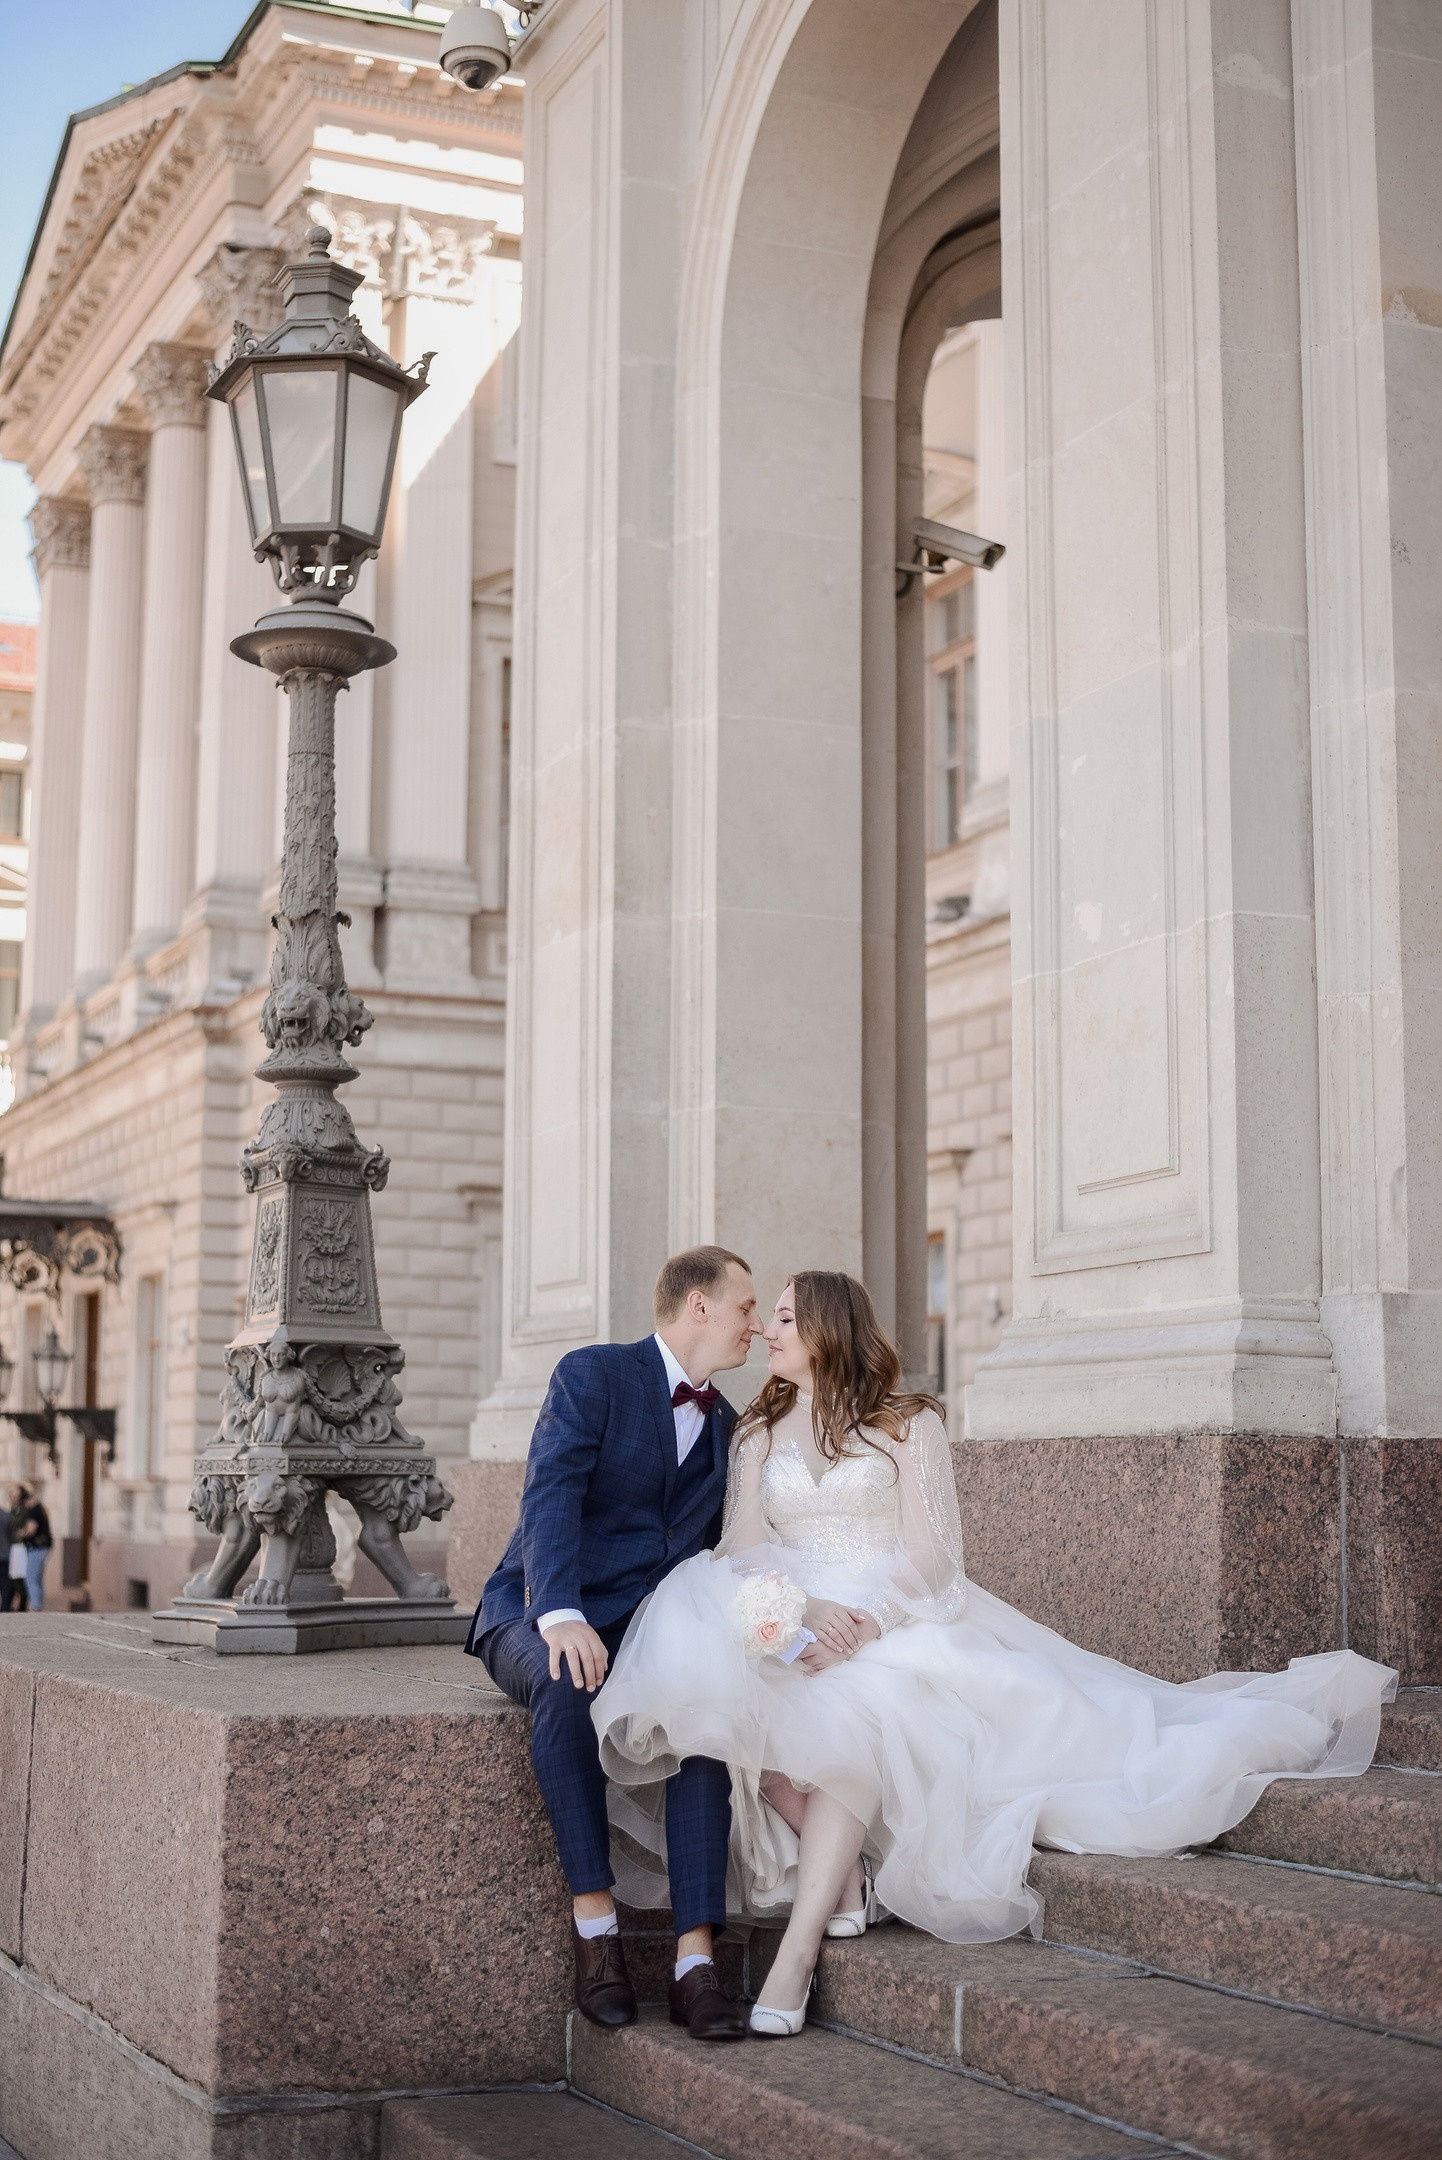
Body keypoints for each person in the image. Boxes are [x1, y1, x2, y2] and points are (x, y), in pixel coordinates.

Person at [593, 1271, 1396, 2039]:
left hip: (895, 1618)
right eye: (768, 1315)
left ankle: (797, 1955)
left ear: (831, 1328)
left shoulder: (909, 1423)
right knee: (750, 1727)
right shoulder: (759, 1432)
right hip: (800, 1624)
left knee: (861, 1711)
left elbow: (934, 1556)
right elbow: (742, 1544)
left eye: (788, 1318)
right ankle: (842, 1877)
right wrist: (796, 1616)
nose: (769, 1329)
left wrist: (866, 1622)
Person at [466, 1245, 763, 2039]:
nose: (757, 1325)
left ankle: (696, 1961)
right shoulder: (591, 1374)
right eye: (745, 1307)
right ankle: (595, 1932)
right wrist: (559, 1610)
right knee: (567, 1683)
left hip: (645, 1632)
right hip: (536, 1611)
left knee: (705, 1720)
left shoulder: (729, 1428)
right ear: (698, 1305)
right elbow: (551, 1492)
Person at [2, 1485, 27, 1613]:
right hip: (9, 1550)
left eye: (15, 1495)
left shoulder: (24, 1511)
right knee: (8, 1580)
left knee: (17, 1579)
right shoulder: (10, 1512)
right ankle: (7, 1605)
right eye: (11, 1495)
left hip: (18, 1549)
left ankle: (20, 1604)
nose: (12, 1497)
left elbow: (23, 1530)